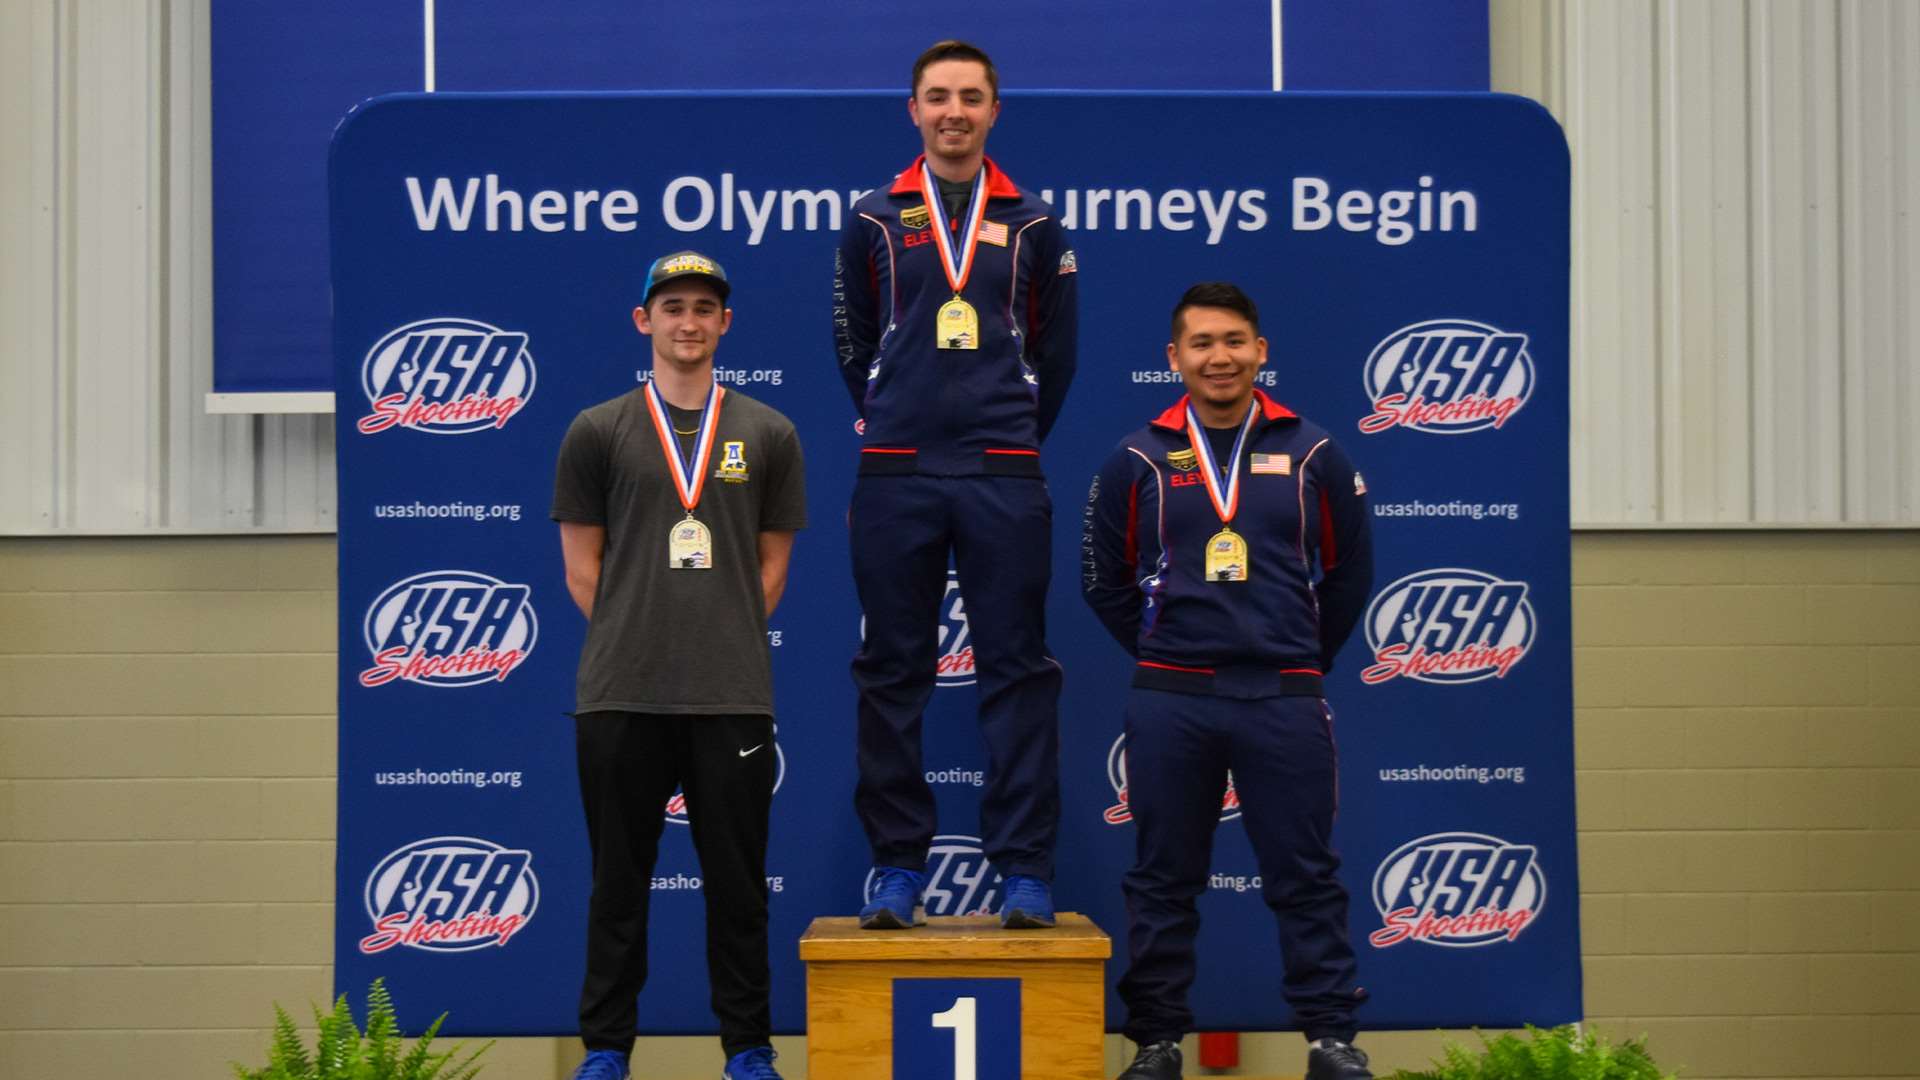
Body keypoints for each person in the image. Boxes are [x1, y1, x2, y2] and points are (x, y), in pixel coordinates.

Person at [1081, 283, 1376, 1080]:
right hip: (1173, 700)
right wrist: (1163, 652)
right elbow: (1104, 581)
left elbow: (1349, 577)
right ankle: (1156, 1041)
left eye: (1235, 340)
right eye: (1203, 343)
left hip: (1283, 698)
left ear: (1261, 351)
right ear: (1173, 358)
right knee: (1161, 878)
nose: (1220, 356)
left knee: (1305, 873)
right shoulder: (1137, 459)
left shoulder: (1314, 453)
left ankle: (1330, 1038)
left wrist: (1300, 657)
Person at [832, 40, 1078, 930]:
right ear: (913, 109)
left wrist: (1000, 432)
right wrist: (901, 419)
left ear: (994, 110)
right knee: (892, 671)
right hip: (896, 470)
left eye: (971, 96)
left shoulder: (1038, 224)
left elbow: (1058, 354)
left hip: (1003, 471)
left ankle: (1024, 871)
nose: (954, 111)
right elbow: (855, 344)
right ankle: (898, 867)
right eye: (938, 96)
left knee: (1015, 670)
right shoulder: (871, 219)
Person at [552, 251, 807, 1080]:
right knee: (617, 887)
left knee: (737, 888)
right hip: (620, 693)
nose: (688, 321)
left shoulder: (769, 432)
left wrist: (715, 634)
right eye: (672, 308)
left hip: (730, 694)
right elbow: (581, 568)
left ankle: (747, 1047)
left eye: (704, 308)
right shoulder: (598, 429)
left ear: (725, 323)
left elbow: (771, 569)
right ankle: (605, 1050)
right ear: (644, 321)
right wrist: (643, 632)